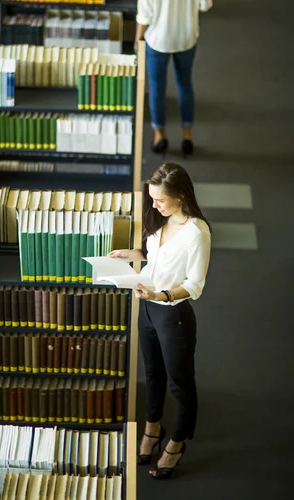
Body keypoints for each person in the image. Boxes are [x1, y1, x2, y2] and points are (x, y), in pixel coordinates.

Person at [109, 163, 211, 479]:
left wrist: (160, 296)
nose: (154, 205)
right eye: (152, 199)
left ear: (179, 196)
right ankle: (153, 427)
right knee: (152, 373)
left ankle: (177, 441)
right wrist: (132, 254)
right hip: (149, 309)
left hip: (173, 315)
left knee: (179, 384)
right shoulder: (159, 219)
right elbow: (155, 256)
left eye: (160, 200)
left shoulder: (197, 232)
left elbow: (195, 285)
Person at [135, 0, 214, 157]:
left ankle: (160, 137)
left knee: (157, 88)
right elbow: (205, 5)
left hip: (158, 40)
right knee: (185, 85)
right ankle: (187, 136)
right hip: (187, 37)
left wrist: (138, 39)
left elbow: (145, 12)